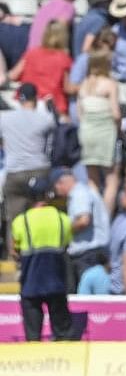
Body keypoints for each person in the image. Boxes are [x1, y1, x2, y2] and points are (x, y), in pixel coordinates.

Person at [13, 176, 73, 341]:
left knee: (33, 340)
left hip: (30, 286)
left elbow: (15, 251)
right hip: (57, 284)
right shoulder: (64, 219)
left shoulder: (20, 222)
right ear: (49, 195)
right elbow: (66, 244)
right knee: (64, 338)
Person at [0, 83, 55, 247]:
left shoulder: (5, 118)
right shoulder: (46, 119)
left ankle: (16, 257)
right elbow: (52, 144)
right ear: (36, 99)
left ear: (18, 99)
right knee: (40, 213)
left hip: (14, 172)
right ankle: (41, 248)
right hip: (39, 171)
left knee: (15, 218)